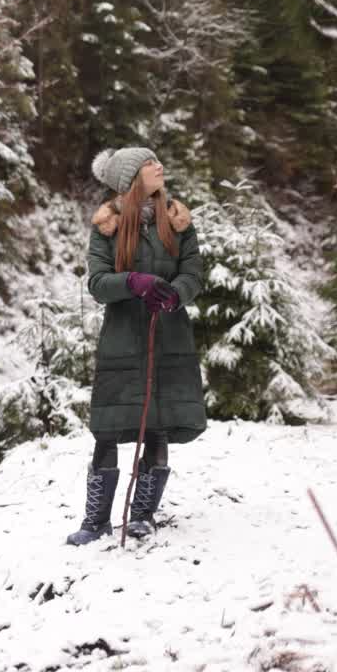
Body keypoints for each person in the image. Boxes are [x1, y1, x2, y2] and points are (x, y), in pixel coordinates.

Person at [66, 147, 207, 545]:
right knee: (107, 428)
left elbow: (194, 272)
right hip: (122, 340)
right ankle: (96, 522)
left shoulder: (178, 221)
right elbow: (96, 284)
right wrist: (131, 282)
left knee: (158, 424)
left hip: (170, 336)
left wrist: (176, 294)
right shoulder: (106, 226)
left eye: (157, 160)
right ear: (131, 178)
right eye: (149, 163)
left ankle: (143, 515)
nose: (159, 166)